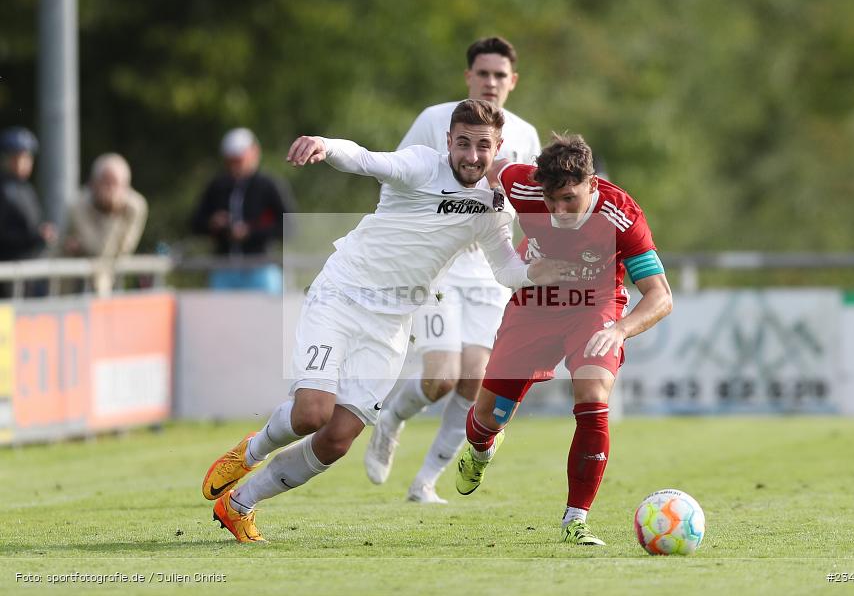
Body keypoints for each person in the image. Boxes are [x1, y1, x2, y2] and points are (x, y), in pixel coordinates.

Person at [200, 100, 576, 543]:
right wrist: (324, 145)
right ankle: (250, 452)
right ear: (447, 142)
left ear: (498, 147)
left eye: (482, 147)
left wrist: (542, 271)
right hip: (341, 296)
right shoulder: (420, 166)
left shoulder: (494, 207)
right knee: (311, 414)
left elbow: (505, 270)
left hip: (393, 322)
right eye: (463, 144)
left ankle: (240, 503)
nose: (472, 156)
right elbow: (363, 157)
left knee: (337, 439)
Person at [454, 133, 673, 546]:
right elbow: (486, 168)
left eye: (569, 199)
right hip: (534, 303)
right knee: (487, 419)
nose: (558, 211)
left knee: (593, 392)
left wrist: (619, 328)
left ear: (593, 184)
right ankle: (482, 447)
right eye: (551, 200)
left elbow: (661, 296)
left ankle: (576, 520)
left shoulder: (621, 215)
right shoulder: (522, 184)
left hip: (595, 306)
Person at [364, 36, 541, 504]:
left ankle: (424, 483)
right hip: (438, 268)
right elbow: (398, 176)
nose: (490, 82)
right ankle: (391, 419)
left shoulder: (525, 134)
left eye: (499, 75)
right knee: (441, 375)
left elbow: (530, 204)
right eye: (482, 73)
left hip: (490, 270)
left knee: (476, 379)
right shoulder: (433, 120)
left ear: (512, 81)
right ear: (468, 77)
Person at [190, 127, 295, 294]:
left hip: (261, 268)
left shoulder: (268, 185)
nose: (235, 166)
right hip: (224, 269)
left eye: (239, 159)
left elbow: (289, 227)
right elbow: (195, 223)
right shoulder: (217, 186)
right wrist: (213, 223)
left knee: (266, 317)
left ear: (254, 153)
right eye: (230, 161)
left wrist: (250, 232)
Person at [66, 153, 148, 294]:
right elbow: (97, 249)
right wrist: (112, 213)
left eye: (116, 184)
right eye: (106, 182)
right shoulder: (77, 205)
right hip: (72, 284)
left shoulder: (136, 206)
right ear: (93, 183)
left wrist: (112, 211)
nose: (111, 190)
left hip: (110, 277)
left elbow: (122, 250)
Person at [0, 127, 56, 298]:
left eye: (25, 158)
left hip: (29, 273)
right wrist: (35, 237)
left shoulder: (26, 188)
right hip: (9, 277)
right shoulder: (4, 189)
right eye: (15, 158)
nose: (20, 163)